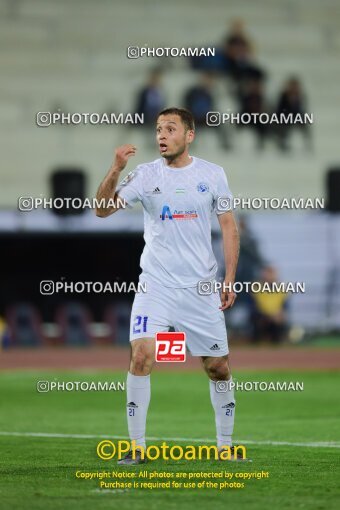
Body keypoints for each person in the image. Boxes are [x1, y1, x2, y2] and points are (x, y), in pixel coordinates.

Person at [95, 107, 245, 464]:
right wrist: (116, 169)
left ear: (189, 135)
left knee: (218, 367)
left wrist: (229, 279)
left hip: (200, 288)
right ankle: (136, 448)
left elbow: (228, 226)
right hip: (156, 287)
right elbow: (101, 210)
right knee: (143, 355)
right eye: (158, 129)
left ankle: (226, 447)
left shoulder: (213, 174)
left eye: (170, 129)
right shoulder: (145, 175)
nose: (161, 135)